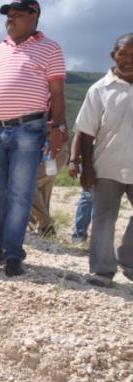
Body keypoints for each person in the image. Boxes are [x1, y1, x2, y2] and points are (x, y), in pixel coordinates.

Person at [0, 0, 68, 277]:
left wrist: (58, 128)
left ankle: (13, 256)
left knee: (19, 196)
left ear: (34, 18)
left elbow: (57, 93)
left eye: (18, 15)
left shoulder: (51, 48)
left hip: (29, 130)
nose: (11, 20)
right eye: (9, 15)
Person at [74, 33, 133, 287]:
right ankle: (102, 270)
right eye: (123, 54)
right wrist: (86, 166)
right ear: (113, 56)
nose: (129, 60)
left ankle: (129, 258)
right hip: (106, 164)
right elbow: (86, 133)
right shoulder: (99, 89)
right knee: (104, 217)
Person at [29, 140, 68, 237]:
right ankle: (42, 227)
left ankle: (45, 223)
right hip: (54, 148)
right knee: (43, 187)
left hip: (51, 147)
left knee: (24, 185)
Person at [67, 134, 93, 242]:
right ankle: (79, 235)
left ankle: (100, 239)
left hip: (114, 161)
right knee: (88, 196)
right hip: (90, 158)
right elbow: (79, 134)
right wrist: (74, 161)